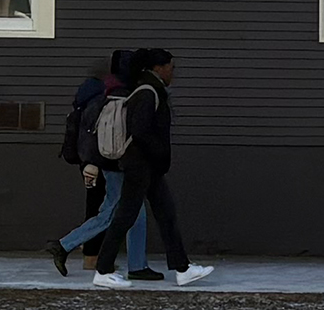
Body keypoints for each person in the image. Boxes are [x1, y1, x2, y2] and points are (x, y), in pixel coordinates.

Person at [93, 49, 214, 289]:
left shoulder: (147, 90)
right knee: (125, 216)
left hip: (149, 166)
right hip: (141, 165)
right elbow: (140, 130)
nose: (172, 72)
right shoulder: (148, 93)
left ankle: (183, 269)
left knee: (166, 215)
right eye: (171, 67)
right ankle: (103, 271)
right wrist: (158, 152)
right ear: (158, 68)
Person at [46, 51, 162, 281]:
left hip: (109, 162)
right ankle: (65, 244)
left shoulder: (102, 91)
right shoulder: (123, 93)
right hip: (119, 163)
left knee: (133, 213)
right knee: (113, 213)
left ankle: (138, 265)